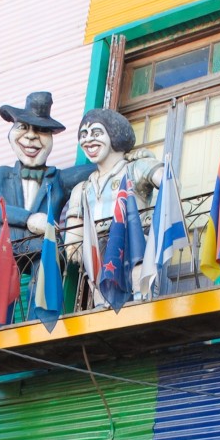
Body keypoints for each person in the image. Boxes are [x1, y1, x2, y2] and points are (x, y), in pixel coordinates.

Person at [65, 110, 163, 306]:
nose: (88, 140)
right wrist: (72, 244)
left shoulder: (136, 168)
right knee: (102, 299)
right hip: (97, 250)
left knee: (139, 287)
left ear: (115, 133)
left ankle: (142, 299)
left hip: (132, 241)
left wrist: (157, 219)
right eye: (83, 135)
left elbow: (169, 182)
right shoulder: (81, 189)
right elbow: (74, 230)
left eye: (96, 133)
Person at [0, 92, 90, 260]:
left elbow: (97, 169)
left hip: (43, 250)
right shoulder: (2, 175)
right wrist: (29, 219)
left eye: (41, 130)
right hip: (7, 248)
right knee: (4, 283)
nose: (31, 136)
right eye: (23, 127)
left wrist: (125, 158)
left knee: (43, 279)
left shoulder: (58, 179)